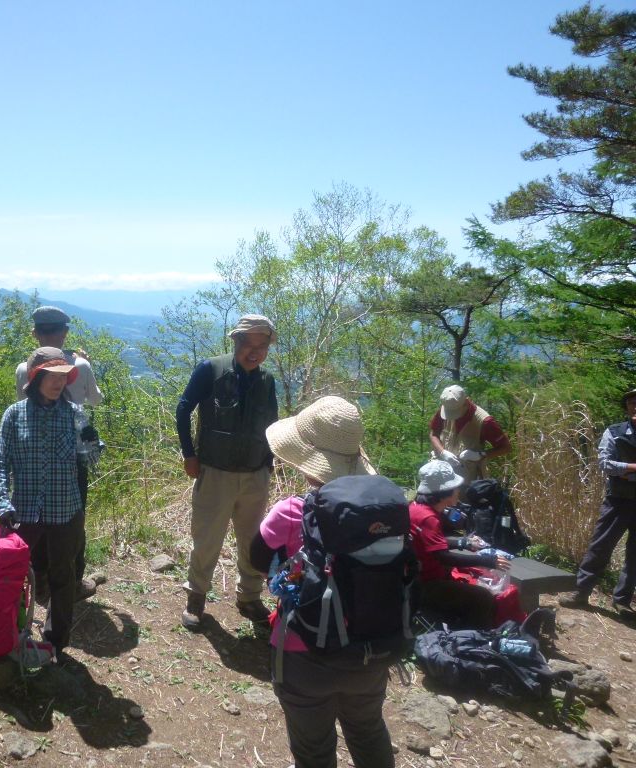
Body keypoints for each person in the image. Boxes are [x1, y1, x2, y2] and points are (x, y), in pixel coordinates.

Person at [248, 395, 395, 768]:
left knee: (313, 751)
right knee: (368, 732)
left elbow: (256, 558)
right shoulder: (389, 512)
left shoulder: (293, 510)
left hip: (303, 651)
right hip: (372, 648)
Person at [175, 314, 278, 629]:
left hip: (255, 473)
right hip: (215, 471)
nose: (255, 351)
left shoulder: (267, 381)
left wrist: (269, 465)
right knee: (207, 538)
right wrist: (189, 454)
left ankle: (249, 597)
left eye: (262, 345)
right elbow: (183, 407)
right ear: (236, 341)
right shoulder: (211, 369)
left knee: (252, 540)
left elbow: (273, 426)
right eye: (249, 343)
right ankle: (196, 597)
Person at [0, 347, 85, 660]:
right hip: (24, 511)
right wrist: (2, 501)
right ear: (36, 377)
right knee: (16, 576)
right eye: (52, 376)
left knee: (63, 577)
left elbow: (90, 457)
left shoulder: (74, 415)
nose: (59, 383)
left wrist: (93, 442)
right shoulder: (14, 414)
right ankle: (13, 633)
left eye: (63, 377)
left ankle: (57, 642)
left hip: (65, 510)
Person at [15, 305, 103, 601]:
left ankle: (38, 578)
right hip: (73, 458)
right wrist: (86, 365)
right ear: (66, 332)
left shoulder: (23, 369)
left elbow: (23, 407)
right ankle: (72, 581)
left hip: (33, 458)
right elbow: (97, 401)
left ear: (35, 333)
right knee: (73, 519)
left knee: (35, 516)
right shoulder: (80, 367)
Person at [410, 459, 511, 629]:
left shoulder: (414, 508)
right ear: (445, 492)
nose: (458, 491)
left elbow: (431, 543)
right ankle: (473, 642)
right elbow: (443, 558)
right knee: (483, 597)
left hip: (414, 579)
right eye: (456, 488)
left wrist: (463, 542)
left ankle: (456, 630)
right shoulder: (429, 518)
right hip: (427, 585)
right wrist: (488, 561)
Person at [560, 387, 636, 614]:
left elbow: (614, 467)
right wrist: (632, 468)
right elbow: (604, 464)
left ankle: (622, 601)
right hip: (618, 501)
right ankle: (580, 592)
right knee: (599, 547)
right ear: (626, 407)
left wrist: (624, 471)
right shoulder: (615, 432)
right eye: (632, 403)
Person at [429, 384, 511, 484]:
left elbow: (506, 448)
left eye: (455, 412)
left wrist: (481, 455)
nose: (452, 416)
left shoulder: (485, 421)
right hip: (441, 471)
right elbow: (433, 434)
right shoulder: (448, 406)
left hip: (467, 478)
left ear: (467, 402)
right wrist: (442, 452)